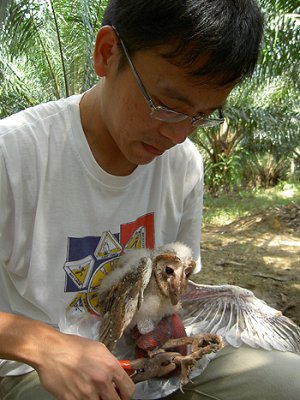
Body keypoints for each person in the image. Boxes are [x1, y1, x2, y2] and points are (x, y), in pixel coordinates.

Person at [0, 0, 299, 399]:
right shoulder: (14, 156)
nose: (178, 136)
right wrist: (44, 345)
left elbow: (172, 294)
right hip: (44, 372)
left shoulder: (184, 165)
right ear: (107, 53)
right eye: (168, 105)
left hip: (154, 358)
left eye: (201, 116)